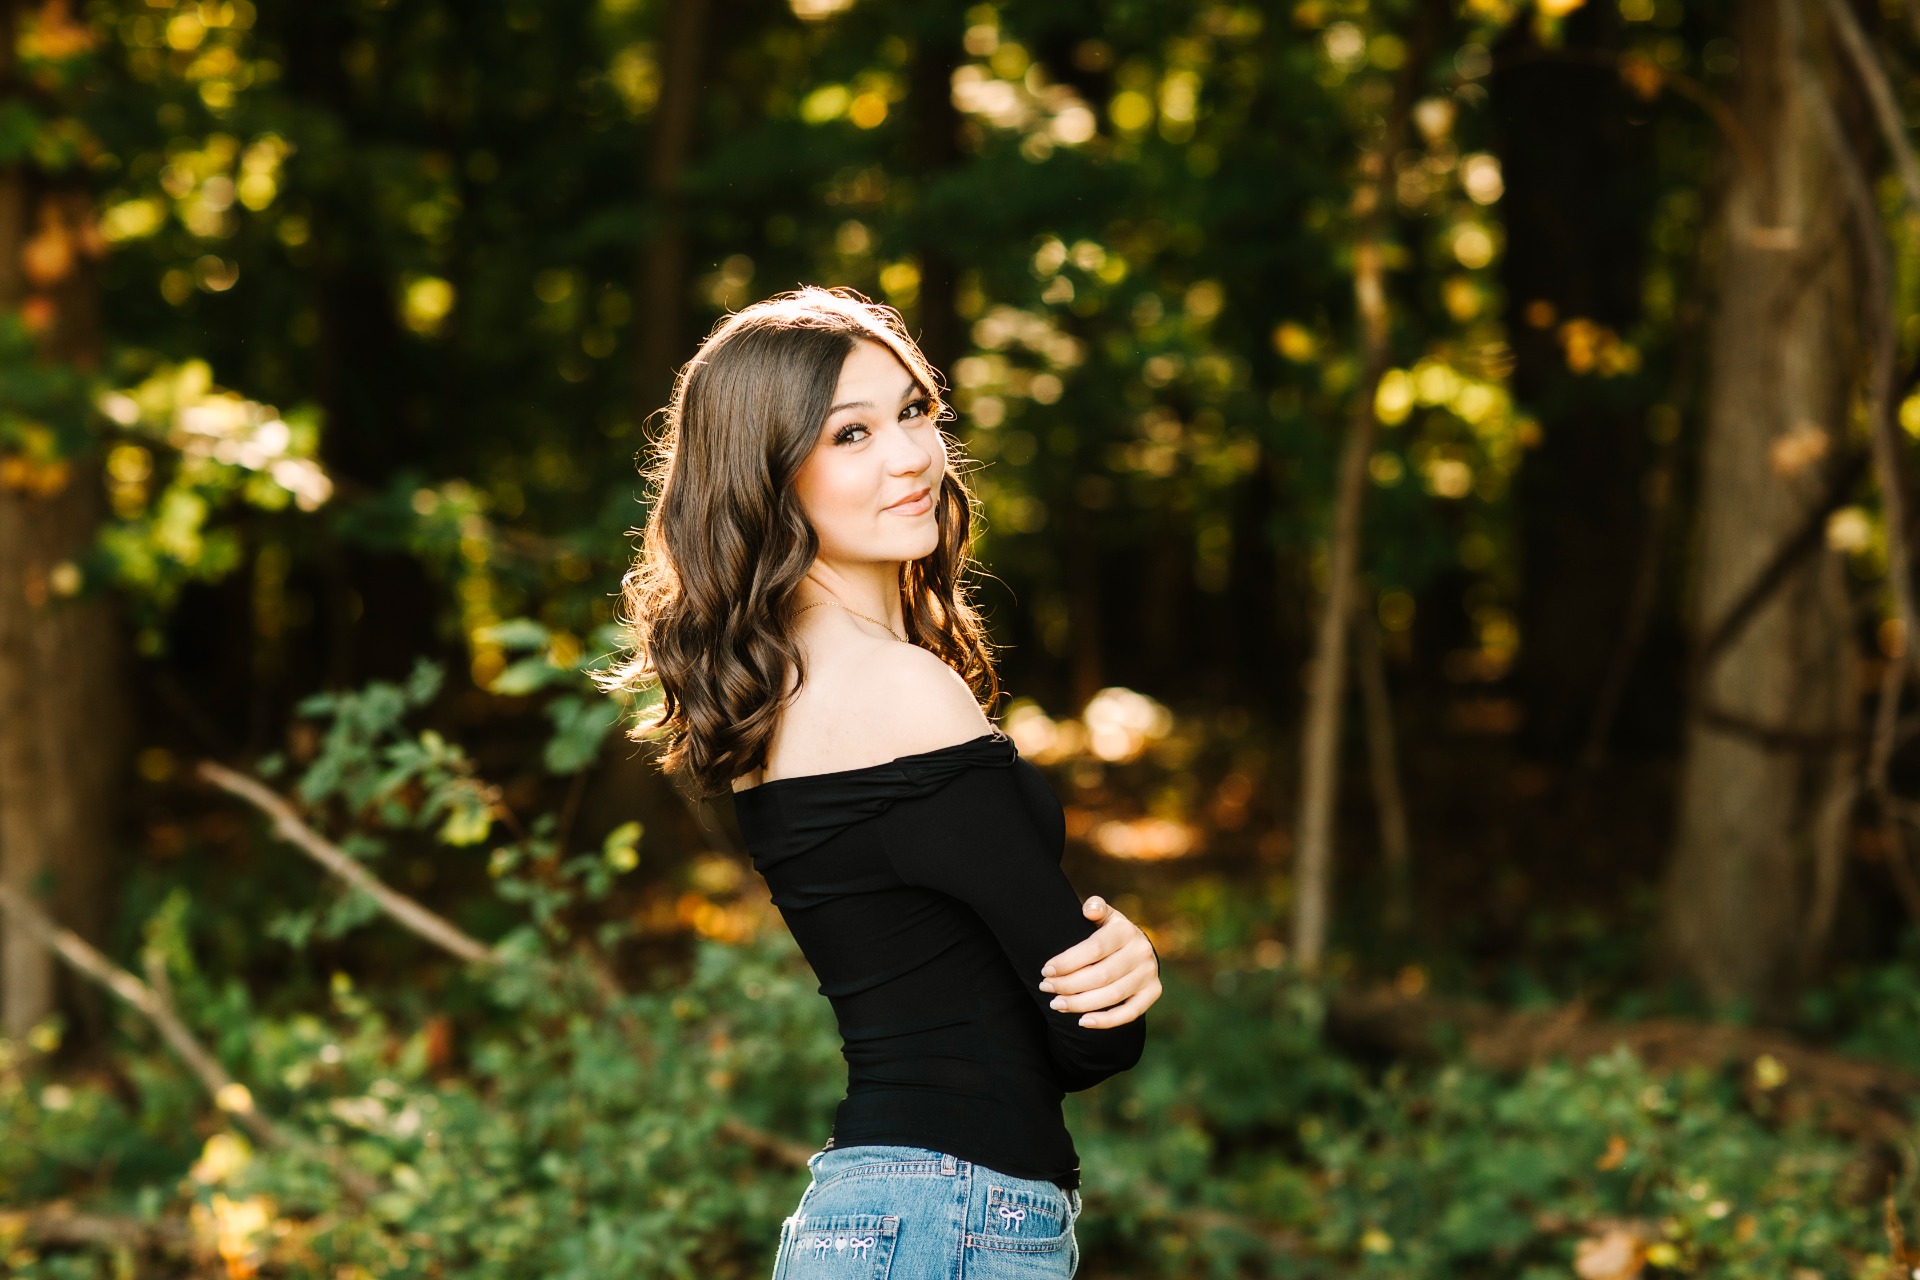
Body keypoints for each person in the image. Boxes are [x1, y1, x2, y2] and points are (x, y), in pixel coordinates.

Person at [603, 286, 1161, 1277]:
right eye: (850, 433)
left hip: (889, 1216)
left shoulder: (779, 690)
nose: (911, 455)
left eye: (914, 411)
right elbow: (1089, 1041)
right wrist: (1123, 974)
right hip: (950, 1216)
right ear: (769, 472)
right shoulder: (897, 689)